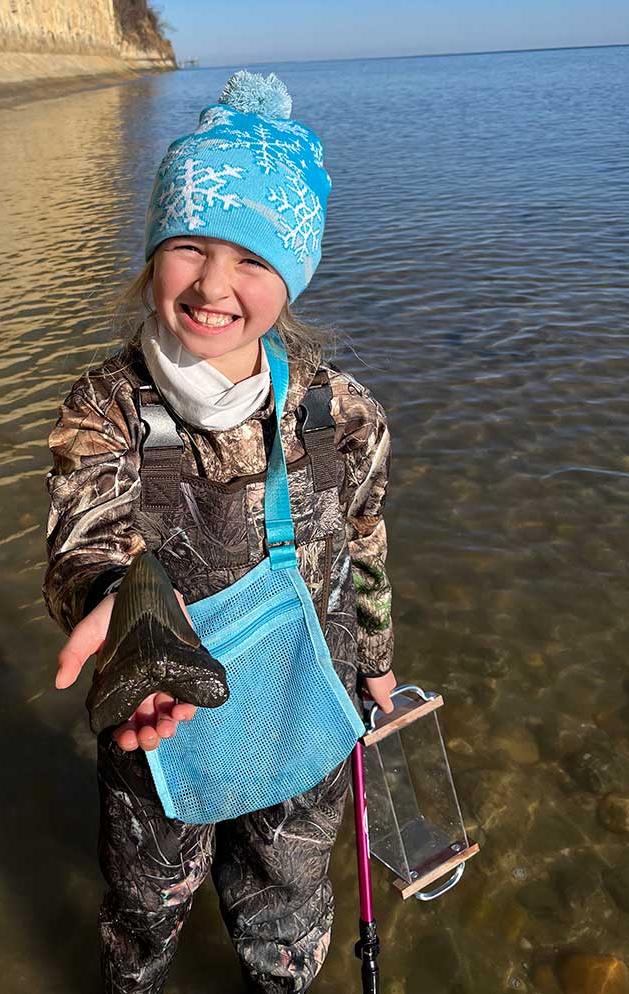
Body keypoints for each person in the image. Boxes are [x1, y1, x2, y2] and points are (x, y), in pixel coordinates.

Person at [43, 70, 396, 994]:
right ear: (153, 251)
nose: (212, 285)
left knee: (287, 896)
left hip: (304, 708)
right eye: (189, 246)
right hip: (154, 720)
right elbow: (86, 541)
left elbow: (363, 538)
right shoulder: (108, 408)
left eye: (252, 259)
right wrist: (115, 607)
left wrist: (380, 665)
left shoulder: (340, 414)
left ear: (295, 272)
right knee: (143, 910)